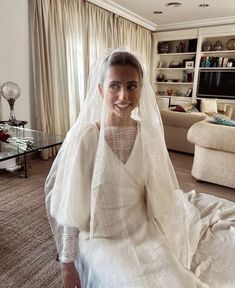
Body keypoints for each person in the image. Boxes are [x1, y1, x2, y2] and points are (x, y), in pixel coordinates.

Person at [45, 49, 235, 288]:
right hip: (100, 239)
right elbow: (71, 209)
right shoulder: (87, 137)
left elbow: (159, 196)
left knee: (178, 282)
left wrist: (166, 236)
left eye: (131, 86)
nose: (123, 95)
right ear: (101, 90)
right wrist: (67, 263)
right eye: (115, 86)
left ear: (141, 90)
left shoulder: (149, 133)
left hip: (142, 232)